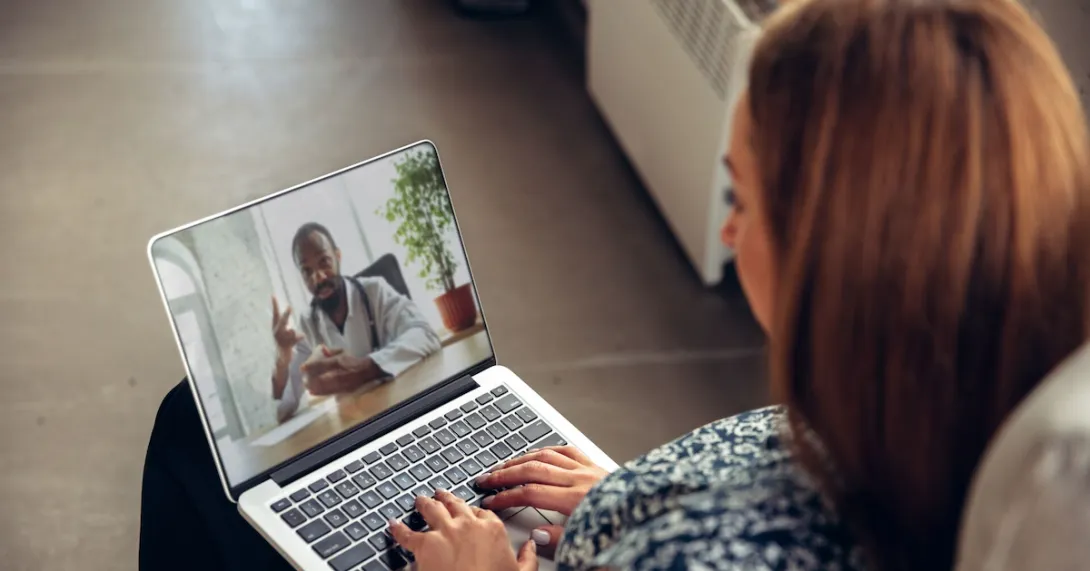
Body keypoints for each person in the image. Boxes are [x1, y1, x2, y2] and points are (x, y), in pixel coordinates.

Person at [140, 0, 1090, 569]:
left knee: (194, 440)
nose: (726, 227)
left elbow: (415, 342)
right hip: (592, 518)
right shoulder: (951, 423)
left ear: (847, 262)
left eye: (743, 198)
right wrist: (632, 494)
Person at [271, 222, 441, 422]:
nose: (318, 278)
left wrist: (365, 368)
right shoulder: (308, 322)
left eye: (324, 261)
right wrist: (282, 358)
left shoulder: (374, 291)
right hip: (357, 423)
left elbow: (425, 334)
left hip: (403, 409)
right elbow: (283, 409)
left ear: (338, 257)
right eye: (307, 271)